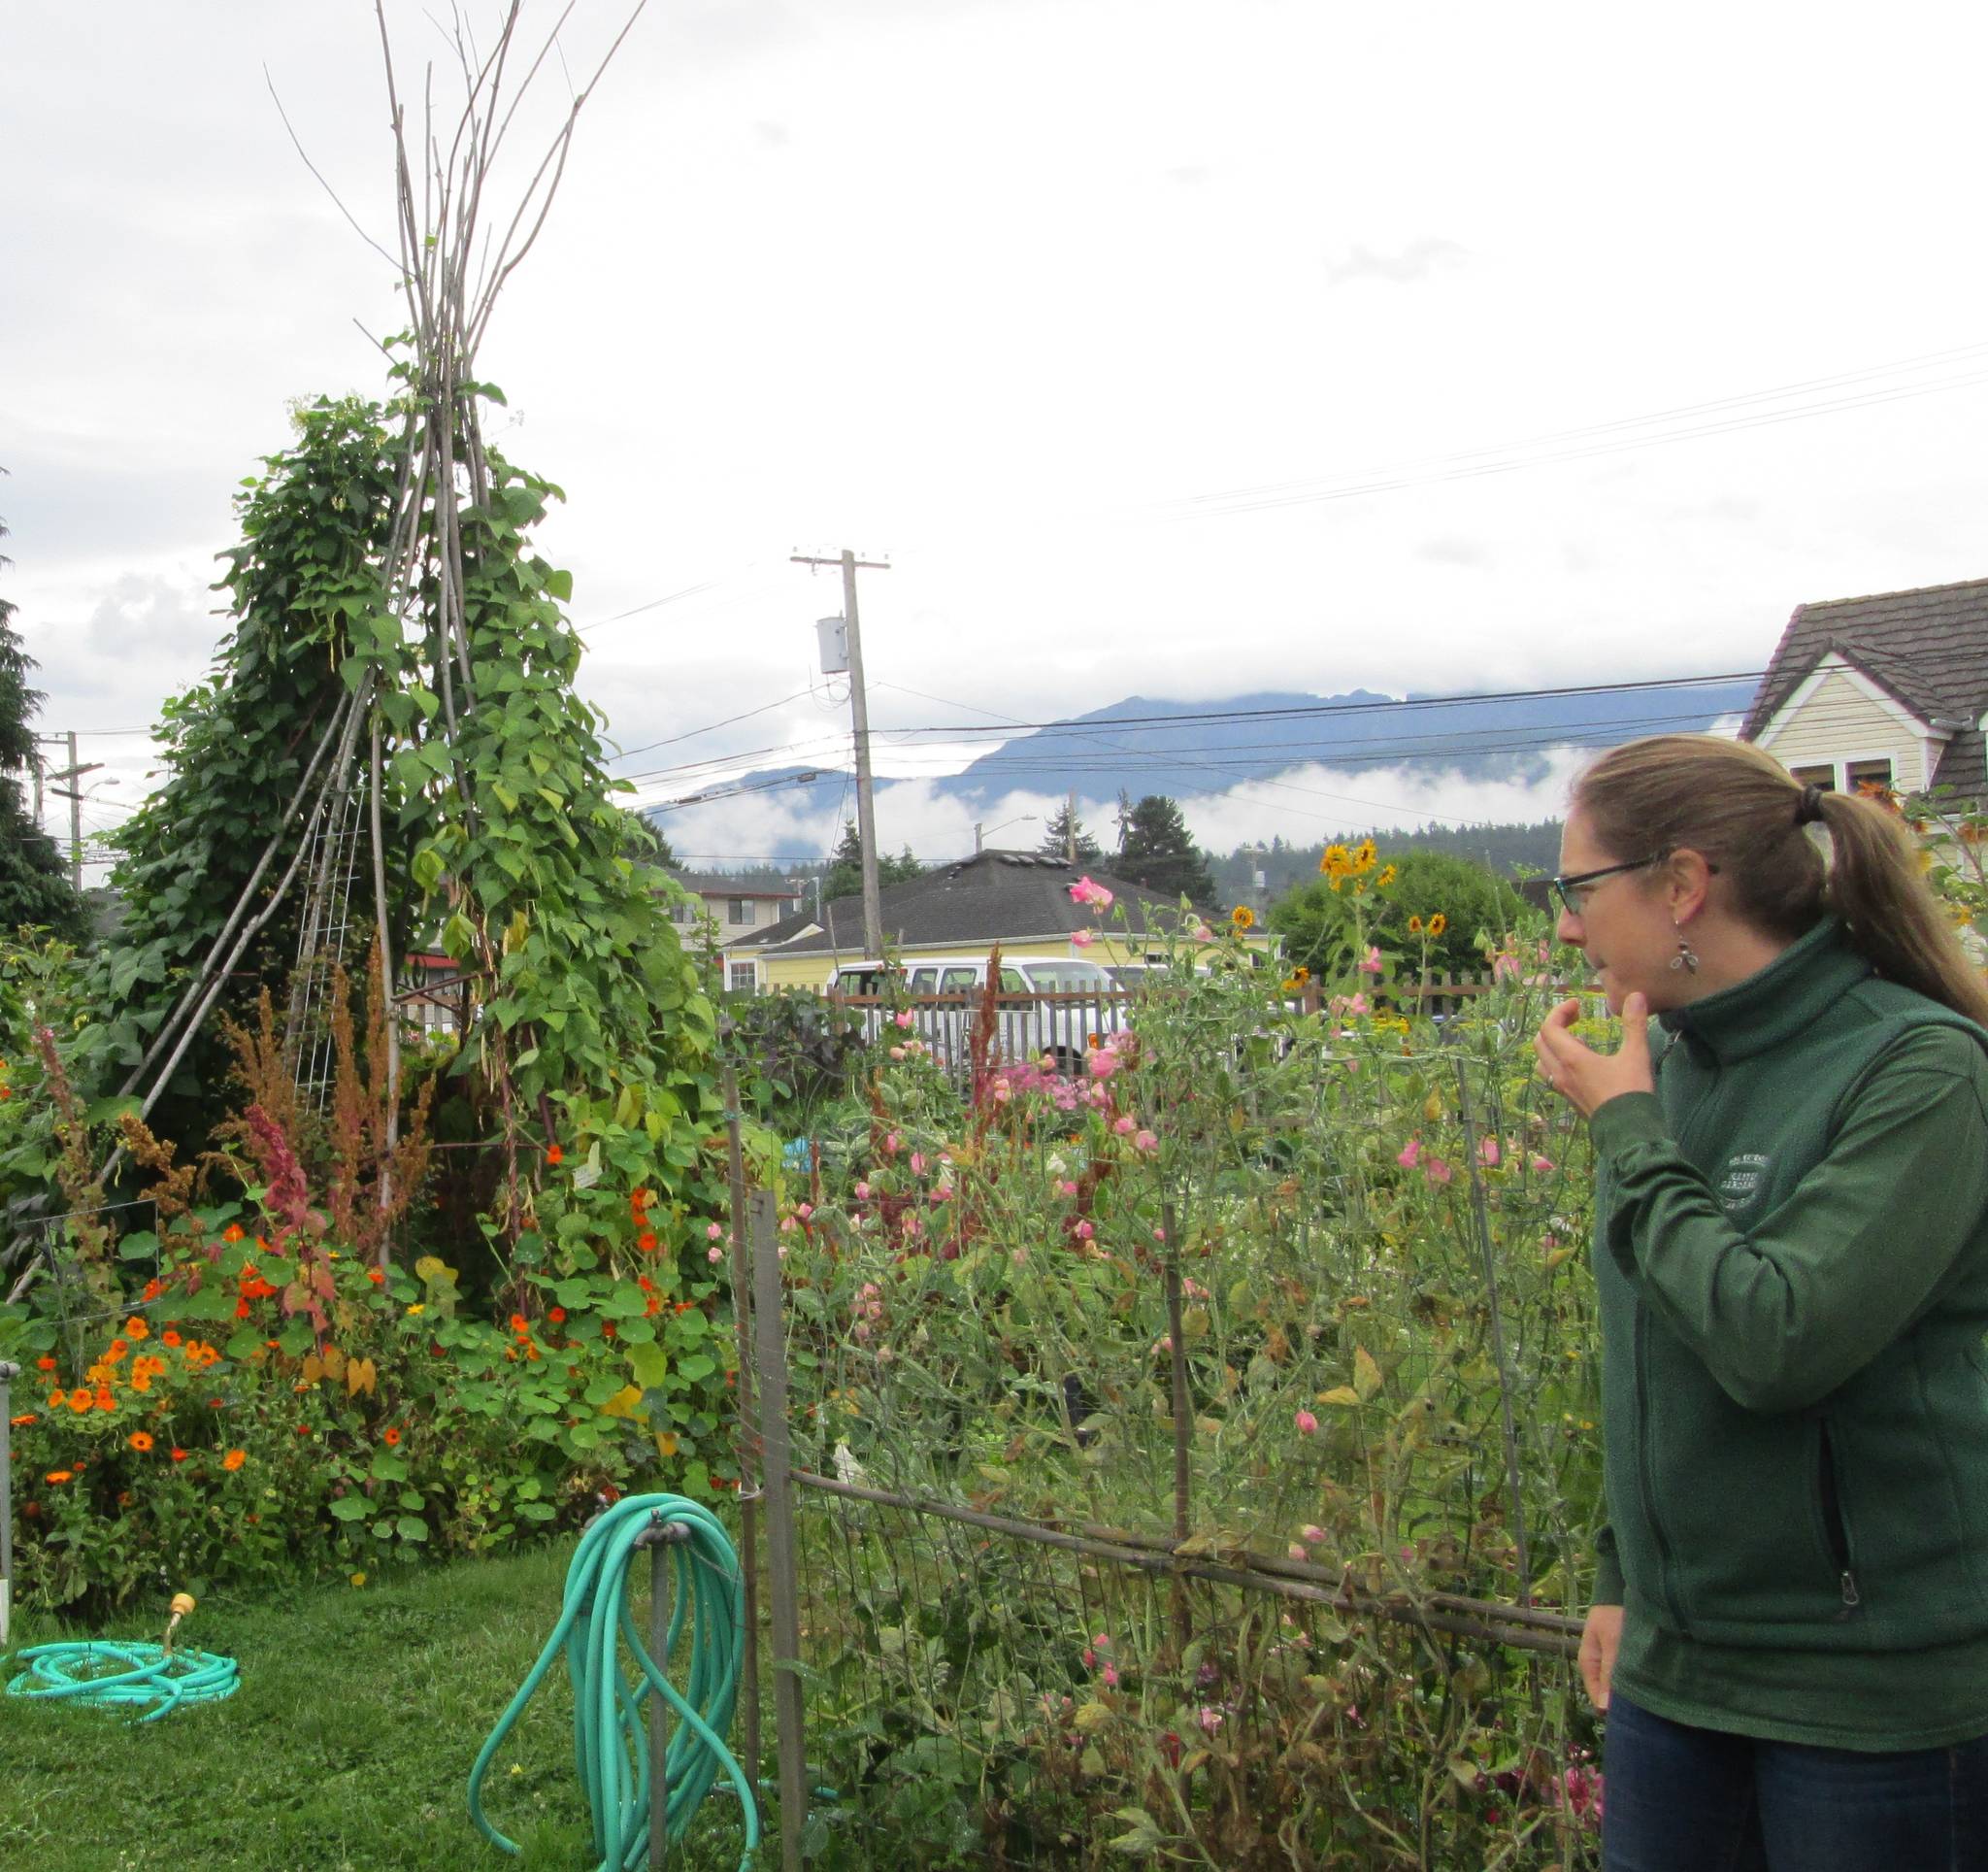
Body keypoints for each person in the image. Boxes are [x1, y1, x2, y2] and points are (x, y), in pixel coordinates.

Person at [1534, 734, 1988, 1871]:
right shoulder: (1671, 1064)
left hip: (1865, 1694)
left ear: (1682, 883)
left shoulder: (1918, 1070)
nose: (1564, 927)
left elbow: (1776, 1339)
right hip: (1675, 1677)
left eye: (1578, 889)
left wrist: (1628, 1134)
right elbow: (1653, 1343)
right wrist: (1619, 1575)